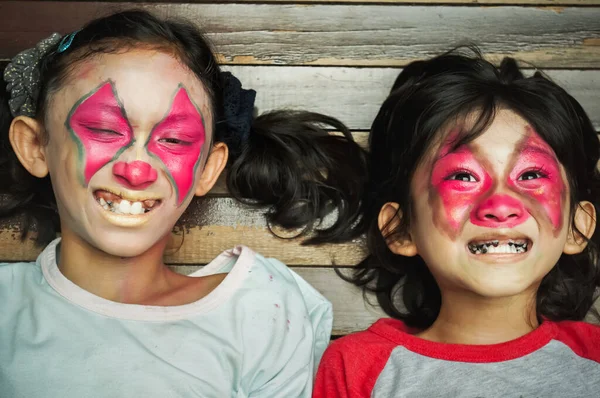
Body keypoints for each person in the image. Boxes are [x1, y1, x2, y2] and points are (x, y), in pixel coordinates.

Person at [0, 10, 367, 397]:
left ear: (208, 169)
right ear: (35, 146)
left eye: (173, 140)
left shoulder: (260, 313)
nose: (137, 170)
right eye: (105, 130)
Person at [313, 48, 600, 397]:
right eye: (463, 177)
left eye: (531, 174)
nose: (500, 206)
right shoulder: (356, 367)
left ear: (578, 226)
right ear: (400, 228)